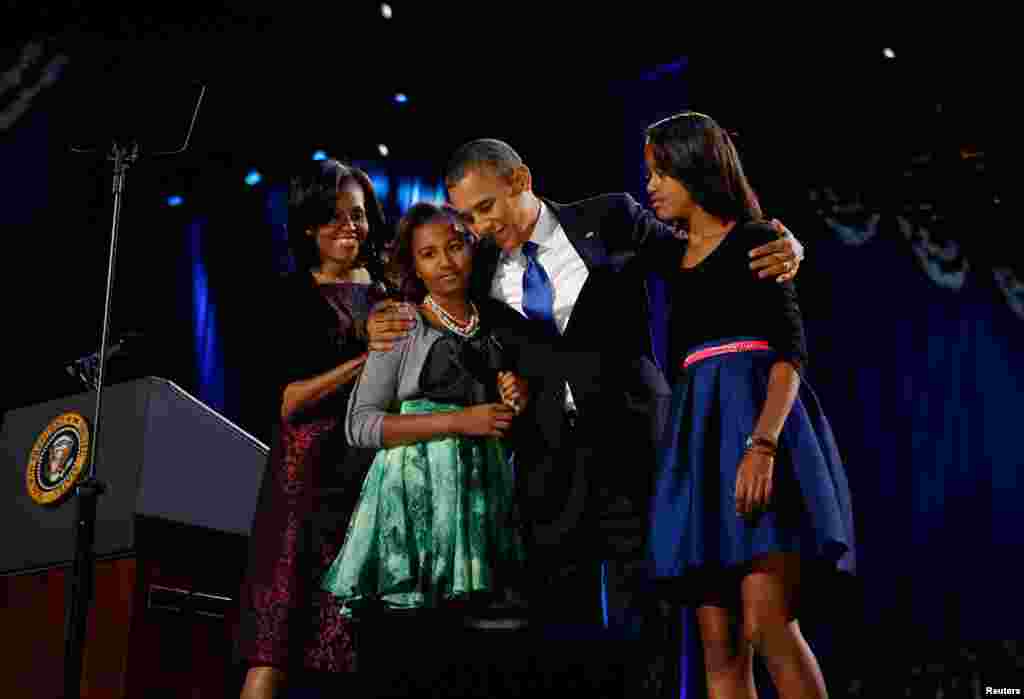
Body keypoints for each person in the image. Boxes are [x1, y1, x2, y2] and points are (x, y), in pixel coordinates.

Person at [365, 138, 806, 693]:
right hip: (550, 464)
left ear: (520, 180)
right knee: (557, 628)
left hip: (639, 448)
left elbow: (698, 254)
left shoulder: (611, 217)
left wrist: (782, 243)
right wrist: (379, 320)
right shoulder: (480, 271)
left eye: (486, 208)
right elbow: (434, 300)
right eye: (468, 216)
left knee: (650, 618)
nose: (477, 228)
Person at [642, 111, 855, 698]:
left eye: (661, 172)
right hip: (697, 442)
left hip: (756, 428)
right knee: (720, 647)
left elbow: (791, 355)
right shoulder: (665, 256)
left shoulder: (759, 242)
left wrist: (762, 445)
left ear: (696, 166)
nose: (651, 186)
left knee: (769, 628)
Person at [321, 202, 539, 695]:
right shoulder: (401, 324)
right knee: (410, 651)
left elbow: (519, 423)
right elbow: (360, 425)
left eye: (455, 247)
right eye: (429, 254)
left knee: (475, 658)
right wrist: (462, 420)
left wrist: (515, 400)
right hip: (412, 499)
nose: (445, 262)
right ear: (413, 264)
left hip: (479, 497)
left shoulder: (501, 324)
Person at [236, 159, 392, 699]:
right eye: (332, 217)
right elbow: (286, 402)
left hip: (372, 481)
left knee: (358, 653)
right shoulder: (286, 296)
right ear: (307, 226)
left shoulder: (393, 290)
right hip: (303, 485)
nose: (349, 226)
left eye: (358, 214)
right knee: (277, 646)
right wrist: (362, 360)